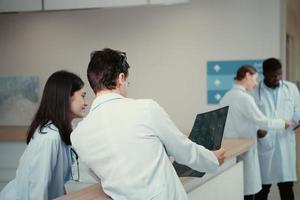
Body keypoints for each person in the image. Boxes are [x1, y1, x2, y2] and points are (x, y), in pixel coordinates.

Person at [71, 48, 226, 200]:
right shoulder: (145, 108)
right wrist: (212, 159)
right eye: (127, 82)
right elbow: (183, 150)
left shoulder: (78, 135)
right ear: (121, 78)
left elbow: (97, 175)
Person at [0, 70, 88, 200]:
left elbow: (57, 181)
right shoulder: (49, 137)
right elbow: (37, 188)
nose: (85, 102)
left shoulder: (65, 129)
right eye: (83, 96)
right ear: (66, 97)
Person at [220, 65, 291, 200]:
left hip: (231, 149)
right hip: (244, 150)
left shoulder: (227, 96)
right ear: (247, 75)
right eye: (255, 78)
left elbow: (237, 122)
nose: (256, 83)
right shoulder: (244, 98)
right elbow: (263, 121)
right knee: (247, 191)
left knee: (237, 189)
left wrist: (257, 130)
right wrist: (283, 123)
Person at [252, 58, 300, 200]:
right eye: (273, 75)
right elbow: (252, 117)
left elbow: (297, 109)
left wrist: (298, 119)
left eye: (280, 74)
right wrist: (258, 131)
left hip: (285, 140)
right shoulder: (255, 91)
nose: (277, 78)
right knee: (262, 189)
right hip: (265, 143)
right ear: (264, 74)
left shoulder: (290, 88)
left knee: (286, 187)